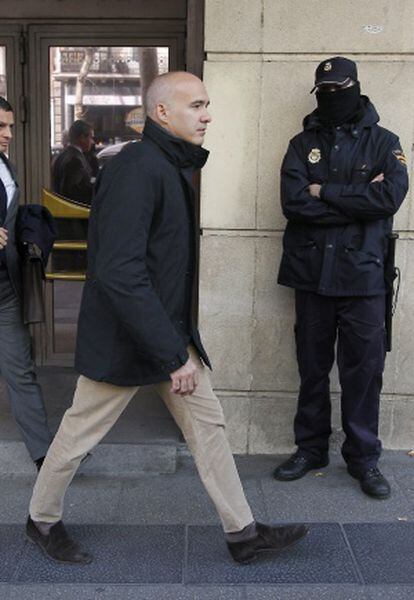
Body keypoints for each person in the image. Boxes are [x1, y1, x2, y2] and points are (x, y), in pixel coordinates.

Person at [27, 72, 307, 565]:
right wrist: (172, 352)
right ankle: (41, 520)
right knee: (78, 434)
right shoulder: (138, 168)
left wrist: (177, 345)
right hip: (130, 339)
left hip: (165, 337)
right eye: (196, 105)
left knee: (209, 427)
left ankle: (242, 533)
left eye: (207, 104)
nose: (207, 115)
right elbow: (118, 272)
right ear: (161, 113)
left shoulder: (162, 164)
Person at [273, 57, 408, 499]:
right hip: (312, 276)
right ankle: (310, 449)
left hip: (364, 278)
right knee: (311, 368)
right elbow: (294, 203)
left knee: (364, 373)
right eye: (324, 90)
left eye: (339, 87)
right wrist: (358, 198)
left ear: (355, 87)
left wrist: (325, 191)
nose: (332, 96)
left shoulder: (385, 142)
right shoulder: (301, 144)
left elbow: (389, 197)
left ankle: (364, 460)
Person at [0, 97, 53, 469]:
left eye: (10, 127)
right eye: (0, 127)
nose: (8, 135)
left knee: (21, 370)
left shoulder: (7, 166)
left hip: (5, 290)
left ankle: (46, 457)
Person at [51, 120, 95, 204]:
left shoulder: (61, 155)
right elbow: (70, 193)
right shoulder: (75, 160)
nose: (92, 142)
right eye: (91, 137)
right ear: (82, 138)